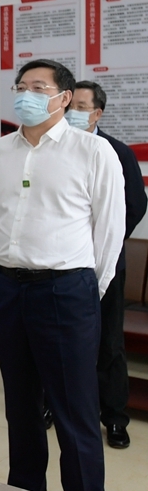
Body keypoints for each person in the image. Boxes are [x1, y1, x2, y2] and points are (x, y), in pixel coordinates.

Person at [0, 59, 124, 491]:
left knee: (74, 412)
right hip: (8, 287)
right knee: (20, 407)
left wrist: (87, 291)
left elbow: (110, 230)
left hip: (66, 291)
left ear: (64, 97)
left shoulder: (92, 151)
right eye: (21, 86)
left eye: (38, 87)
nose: (26, 94)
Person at [63, 80, 147, 449]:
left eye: (81, 108)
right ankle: (56, 406)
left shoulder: (117, 151)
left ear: (97, 113)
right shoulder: (56, 146)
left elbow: (135, 204)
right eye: (70, 106)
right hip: (64, 263)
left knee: (109, 342)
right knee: (62, 340)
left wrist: (105, 241)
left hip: (106, 262)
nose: (73, 113)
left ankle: (113, 417)